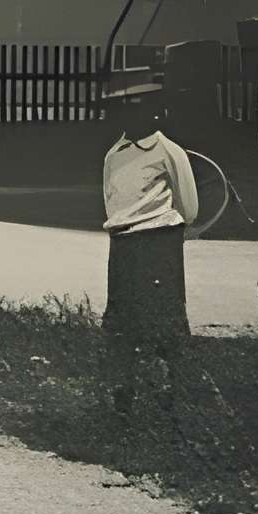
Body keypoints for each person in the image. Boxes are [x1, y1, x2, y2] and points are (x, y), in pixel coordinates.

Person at [100, 64, 199, 417]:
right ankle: (123, 393)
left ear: (153, 108)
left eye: (138, 106)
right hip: (124, 245)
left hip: (158, 243)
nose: (130, 115)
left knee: (163, 320)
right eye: (121, 107)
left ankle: (171, 393)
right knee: (122, 322)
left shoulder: (168, 151)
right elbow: (112, 202)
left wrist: (160, 227)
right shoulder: (114, 154)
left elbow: (188, 205)